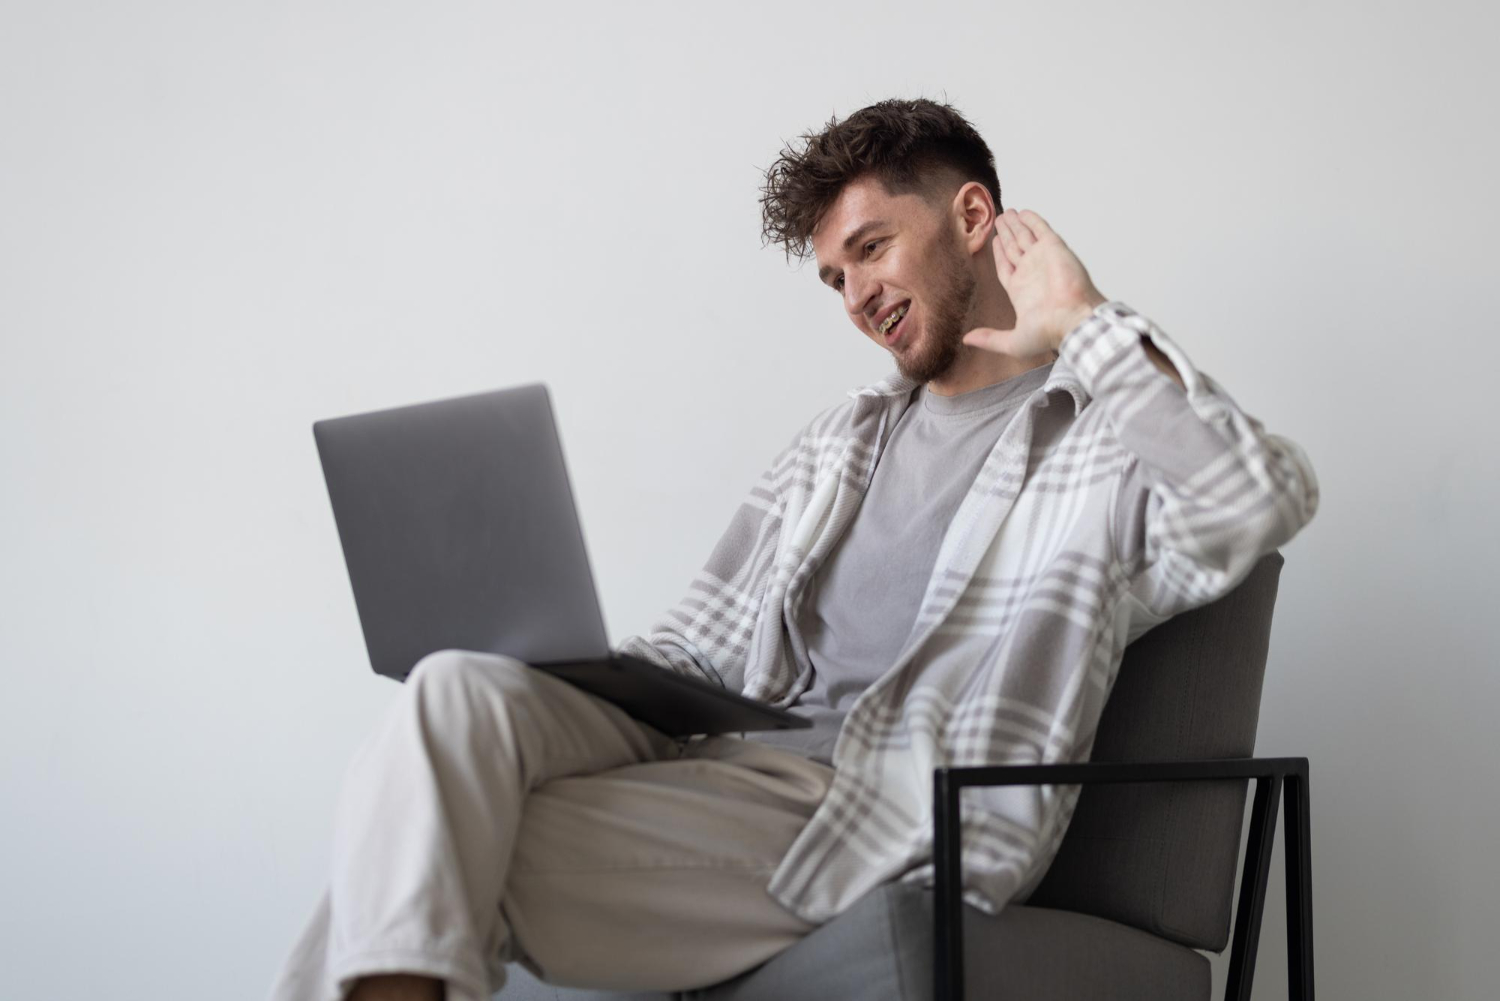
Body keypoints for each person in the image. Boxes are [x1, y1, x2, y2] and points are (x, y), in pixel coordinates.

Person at [268, 97, 1319, 1001]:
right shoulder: (838, 443)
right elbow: (697, 647)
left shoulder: (1099, 444)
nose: (855, 297)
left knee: (425, 848)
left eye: (872, 249)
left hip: (880, 811)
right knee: (452, 690)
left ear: (972, 218)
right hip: (726, 769)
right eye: (833, 278)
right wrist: (563, 661)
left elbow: (1258, 497)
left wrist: (1084, 322)